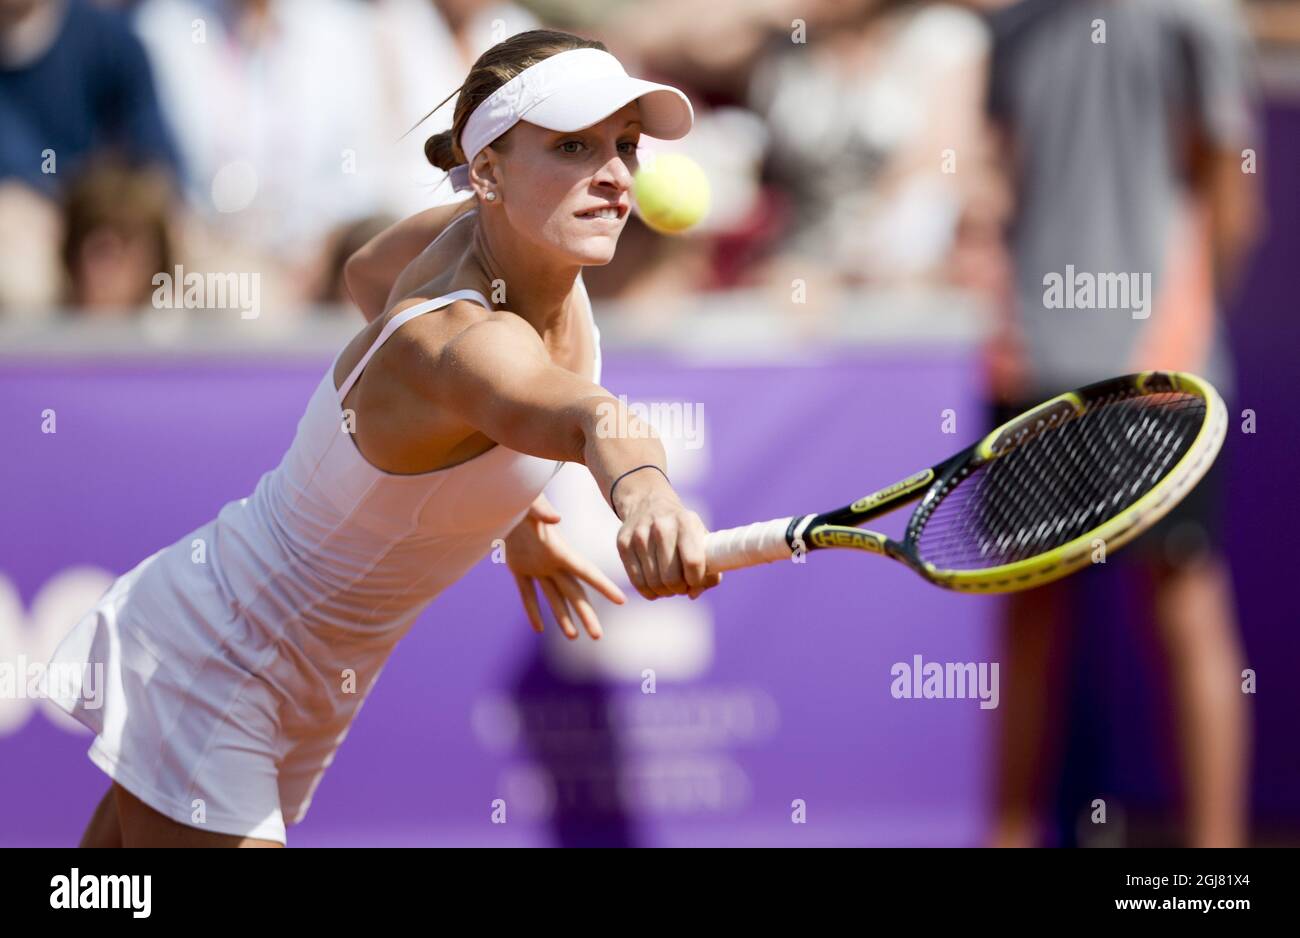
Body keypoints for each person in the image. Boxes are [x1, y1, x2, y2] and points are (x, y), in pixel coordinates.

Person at [42, 29, 720, 848]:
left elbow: (364, 272)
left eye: (624, 145)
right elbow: (589, 417)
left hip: (301, 676)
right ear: (490, 171)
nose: (615, 175)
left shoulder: (467, 238)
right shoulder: (462, 342)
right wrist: (645, 492)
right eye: (572, 146)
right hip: (219, 661)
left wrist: (479, 475)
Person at [979, 0, 1261, 847]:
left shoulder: (1197, 20)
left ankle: (1215, 869)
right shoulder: (1012, 29)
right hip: (1030, 369)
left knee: (1185, 601)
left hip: (1161, 377)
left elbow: (1233, 200)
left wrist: (1178, 341)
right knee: (1024, 614)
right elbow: (1000, 178)